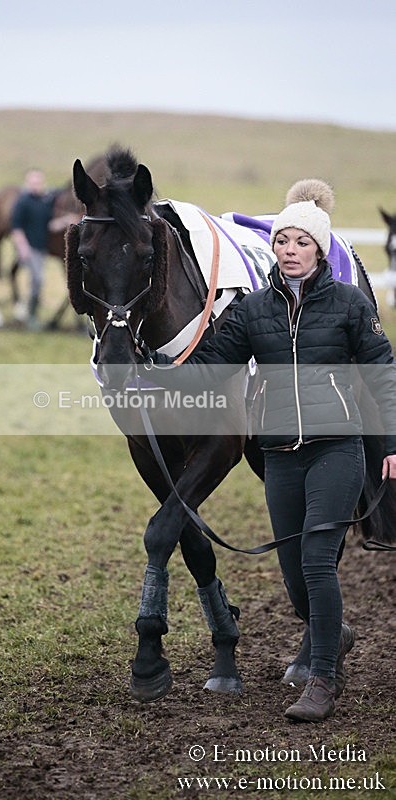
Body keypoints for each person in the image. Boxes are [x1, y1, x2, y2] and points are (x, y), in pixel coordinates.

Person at [139, 179, 396, 722]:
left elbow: (383, 375)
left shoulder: (349, 305)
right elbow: (209, 365)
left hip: (337, 447)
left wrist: (391, 444)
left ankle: (323, 679)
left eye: (302, 243)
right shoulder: (253, 311)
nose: (290, 251)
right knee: (294, 573)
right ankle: (332, 631)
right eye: (283, 242)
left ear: (320, 250)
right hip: (279, 452)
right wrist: (148, 377)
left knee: (317, 560)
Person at [10, 168, 56, 331]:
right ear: (27, 183)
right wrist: (23, 248)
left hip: (41, 247)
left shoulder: (43, 202)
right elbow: (16, 227)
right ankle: (31, 317)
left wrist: (67, 221)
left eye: (39, 182)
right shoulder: (22, 202)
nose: (37, 185)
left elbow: (48, 224)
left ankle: (31, 313)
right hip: (29, 248)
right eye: (33, 182)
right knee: (37, 280)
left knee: (37, 280)